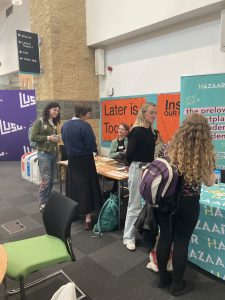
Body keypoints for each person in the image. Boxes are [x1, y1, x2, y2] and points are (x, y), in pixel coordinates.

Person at [155, 113, 216, 296]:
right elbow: (209, 182)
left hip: (166, 200)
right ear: (205, 133)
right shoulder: (204, 155)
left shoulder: (168, 147)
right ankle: (177, 285)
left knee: (165, 237)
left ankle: (163, 278)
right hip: (188, 204)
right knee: (181, 242)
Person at [123, 102, 157, 251]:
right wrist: (128, 166)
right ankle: (128, 237)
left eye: (155, 113)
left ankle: (146, 234)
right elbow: (129, 153)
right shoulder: (136, 131)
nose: (154, 115)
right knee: (134, 204)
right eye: (151, 112)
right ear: (143, 113)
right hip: (137, 168)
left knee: (148, 205)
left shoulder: (152, 132)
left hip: (149, 169)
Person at [61, 104, 102, 230]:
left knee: (73, 186)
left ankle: (73, 213)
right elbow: (91, 144)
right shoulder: (84, 126)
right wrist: (94, 150)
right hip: (85, 161)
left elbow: (64, 141)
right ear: (83, 113)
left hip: (72, 161)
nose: (90, 115)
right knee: (87, 188)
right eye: (89, 113)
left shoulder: (65, 125)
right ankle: (88, 218)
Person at [31, 102, 61, 212]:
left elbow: (52, 139)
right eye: (54, 109)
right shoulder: (40, 121)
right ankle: (42, 202)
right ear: (48, 109)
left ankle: (47, 200)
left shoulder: (53, 122)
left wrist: (56, 139)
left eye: (58, 110)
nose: (56, 112)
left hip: (53, 154)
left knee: (52, 180)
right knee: (46, 180)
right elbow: (33, 137)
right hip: (44, 155)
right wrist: (49, 138)